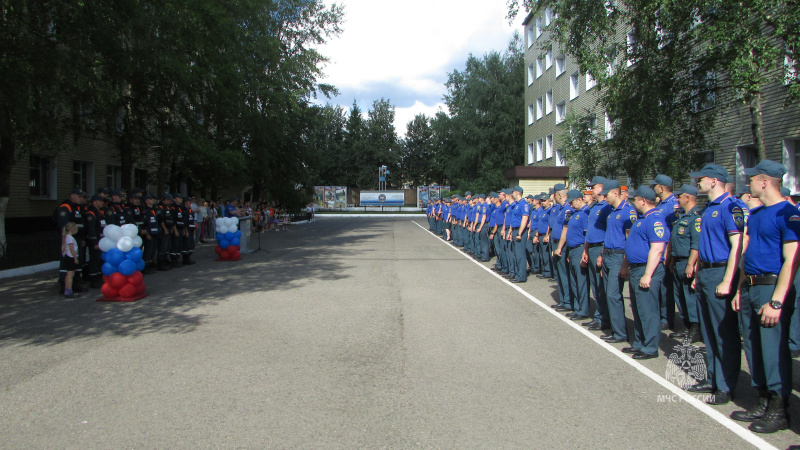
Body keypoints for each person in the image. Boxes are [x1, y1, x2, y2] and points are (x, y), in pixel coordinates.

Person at [730, 160, 800, 433]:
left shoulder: (788, 213)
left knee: (773, 351)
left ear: (765, 182)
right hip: (751, 286)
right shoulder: (757, 214)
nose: (747, 184)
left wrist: (777, 301)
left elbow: (791, 261)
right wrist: (739, 288)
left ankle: (779, 408)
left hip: (772, 288)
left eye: (751, 179)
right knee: (754, 347)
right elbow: (747, 256)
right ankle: (762, 398)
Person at [685, 164, 743, 405]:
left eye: (701, 178)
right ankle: (715, 379)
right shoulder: (709, 209)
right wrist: (698, 274)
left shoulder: (731, 207)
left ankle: (727, 386)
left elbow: (737, 246)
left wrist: (729, 280)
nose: (697, 182)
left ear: (715, 181)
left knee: (724, 333)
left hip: (721, 273)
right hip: (707, 272)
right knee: (709, 332)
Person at [620, 185, 670, 360]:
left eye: (635, 199)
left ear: (642, 200)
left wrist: (648, 274)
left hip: (646, 268)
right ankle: (640, 342)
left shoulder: (655, 219)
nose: (633, 202)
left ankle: (650, 346)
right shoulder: (642, 219)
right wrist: (626, 266)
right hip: (636, 268)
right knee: (638, 307)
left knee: (648, 310)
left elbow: (657, 249)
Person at [599, 180, 637, 344]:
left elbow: (629, 240)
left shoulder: (628, 211)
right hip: (608, 254)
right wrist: (602, 254)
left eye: (606, 194)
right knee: (609, 294)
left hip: (618, 256)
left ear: (615, 193)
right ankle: (615, 328)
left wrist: (624, 263)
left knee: (614, 295)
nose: (604, 198)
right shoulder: (611, 211)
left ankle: (620, 332)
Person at [668, 184, 703, 343]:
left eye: (679, 196)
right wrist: (672, 260)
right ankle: (686, 325)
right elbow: (676, 241)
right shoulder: (682, 217)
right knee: (680, 295)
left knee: (690, 296)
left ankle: (695, 328)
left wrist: (691, 264)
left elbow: (696, 243)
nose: (677, 199)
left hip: (687, 261)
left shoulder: (696, 218)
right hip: (678, 261)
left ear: (687, 198)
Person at [583, 176, 613, 330]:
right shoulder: (594, 206)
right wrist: (586, 249)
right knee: (595, 285)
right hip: (592, 247)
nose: (591, 190)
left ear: (600, 188)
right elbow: (590, 231)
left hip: (600, 247)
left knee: (601, 286)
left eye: (593, 187)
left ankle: (603, 318)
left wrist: (602, 253)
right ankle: (599, 315)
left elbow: (608, 232)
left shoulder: (606, 207)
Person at [562, 190, 590, 320]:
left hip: (580, 249)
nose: (571, 205)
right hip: (572, 249)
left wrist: (585, 252)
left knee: (581, 281)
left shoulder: (585, 213)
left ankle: (583, 309)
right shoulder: (575, 213)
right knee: (574, 280)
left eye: (573, 202)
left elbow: (586, 236)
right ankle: (577, 307)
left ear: (580, 199)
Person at [56, 188, 87, 293]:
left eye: (82, 197)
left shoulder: (77, 208)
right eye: (79, 196)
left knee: (78, 261)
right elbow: (64, 226)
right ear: (72, 196)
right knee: (68, 261)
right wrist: (65, 241)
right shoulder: (65, 207)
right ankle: (64, 285)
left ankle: (75, 283)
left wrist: (82, 237)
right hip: (69, 239)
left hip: (77, 238)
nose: (81, 199)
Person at [62, 222, 81, 298]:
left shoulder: (66, 237)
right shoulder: (70, 238)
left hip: (68, 257)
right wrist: (75, 258)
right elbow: (71, 248)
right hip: (71, 257)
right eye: (76, 228)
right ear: (73, 229)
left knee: (68, 275)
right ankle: (69, 291)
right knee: (70, 275)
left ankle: (67, 290)